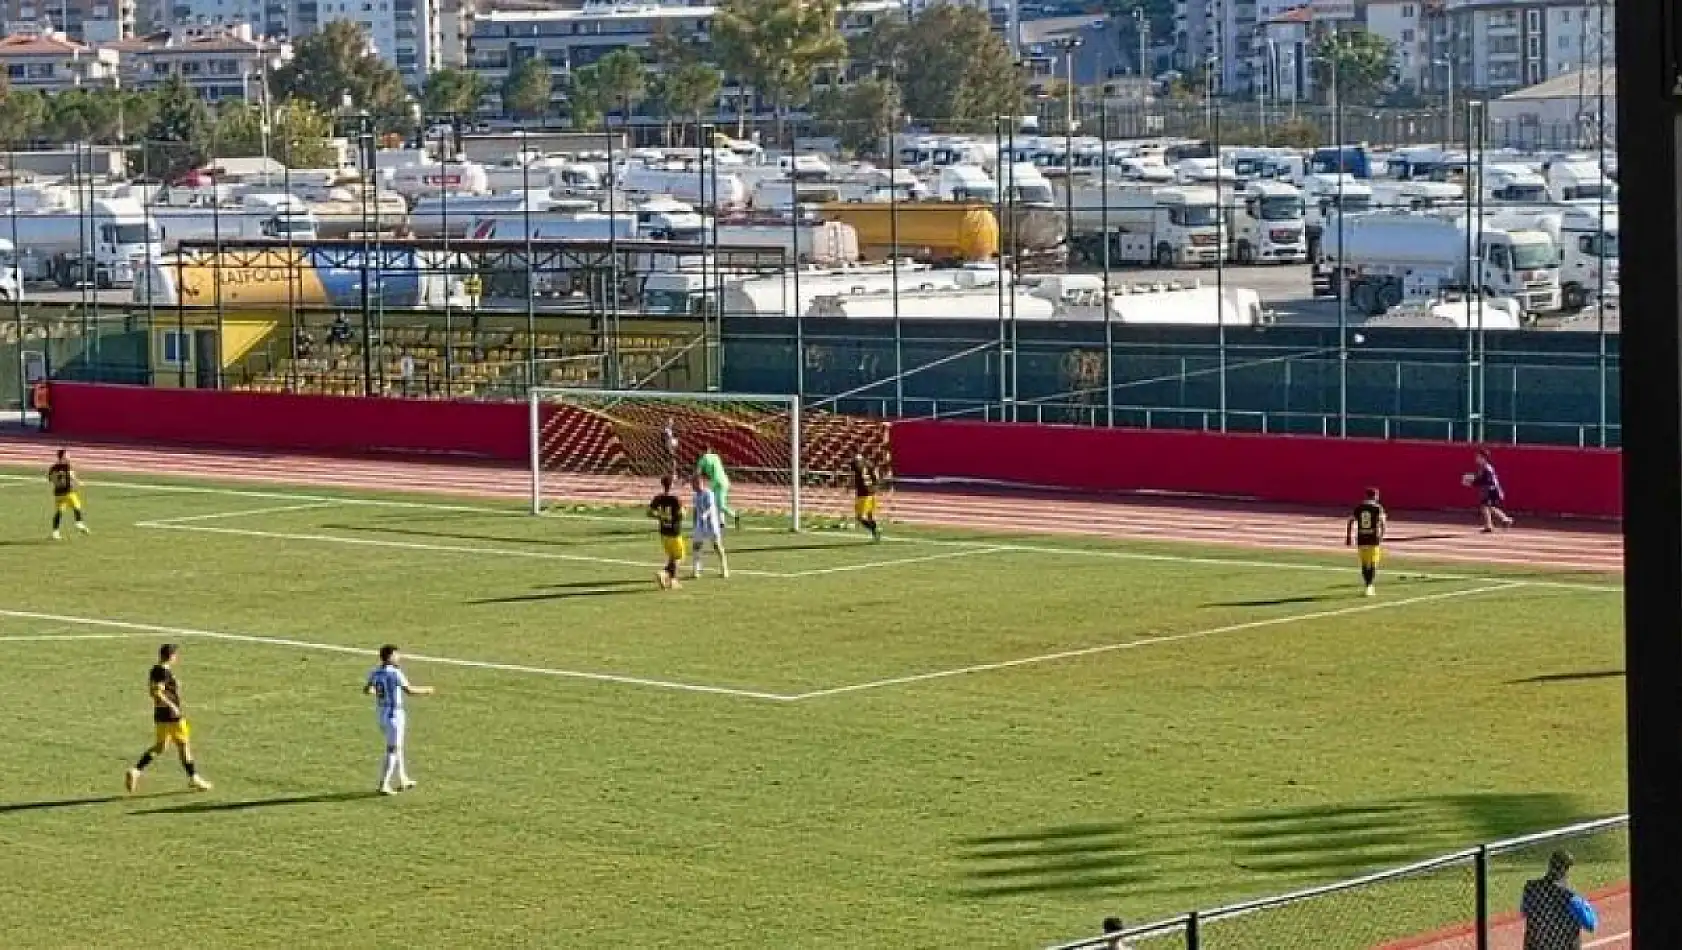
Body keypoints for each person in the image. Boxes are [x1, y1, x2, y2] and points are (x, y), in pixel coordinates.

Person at [126, 643, 213, 793]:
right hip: (172, 716)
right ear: (171, 656)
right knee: (184, 745)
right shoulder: (163, 673)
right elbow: (156, 692)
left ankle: (136, 770)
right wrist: (172, 706)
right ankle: (194, 778)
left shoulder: (155, 670)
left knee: (160, 746)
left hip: (160, 715)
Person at [364, 644, 434, 796]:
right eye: (396, 655)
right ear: (390, 657)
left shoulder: (374, 672)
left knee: (398, 747)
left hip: (381, 713)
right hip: (394, 715)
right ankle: (384, 784)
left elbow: (367, 689)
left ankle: (403, 779)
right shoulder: (395, 673)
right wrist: (427, 690)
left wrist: (378, 692)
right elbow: (409, 690)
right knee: (393, 749)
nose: (399, 657)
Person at [1521, 850, 1597, 950]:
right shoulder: (1570, 898)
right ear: (1565, 871)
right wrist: (1583, 904)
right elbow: (1591, 924)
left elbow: (1524, 911)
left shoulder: (1531, 888)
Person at [1345, 486, 1386, 597]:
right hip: (1373, 538)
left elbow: (1350, 521)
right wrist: (1382, 535)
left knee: (1364, 564)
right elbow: (1382, 523)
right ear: (1375, 496)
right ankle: (1369, 586)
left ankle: (1367, 585)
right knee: (1373, 563)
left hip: (1361, 538)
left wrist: (1348, 536)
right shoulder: (1378, 508)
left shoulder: (1359, 507)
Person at [648, 475, 685, 590]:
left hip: (663, 532)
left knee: (672, 557)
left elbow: (649, 512)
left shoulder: (658, 498)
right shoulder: (675, 499)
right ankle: (664, 573)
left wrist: (661, 516)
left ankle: (673, 581)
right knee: (680, 557)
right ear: (672, 484)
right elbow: (682, 514)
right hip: (674, 532)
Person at [690, 474, 729, 579]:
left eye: (694, 483)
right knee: (696, 546)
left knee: (717, 546)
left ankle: (724, 568)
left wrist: (705, 514)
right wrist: (694, 524)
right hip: (700, 524)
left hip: (711, 524)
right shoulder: (694, 496)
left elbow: (711, 507)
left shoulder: (708, 493)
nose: (692, 486)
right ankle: (696, 570)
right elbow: (695, 510)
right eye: (692, 484)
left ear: (700, 483)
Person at [47, 448, 89, 540]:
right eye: (67, 455)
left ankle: (55, 532)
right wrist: (78, 482)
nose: (69, 456)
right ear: (63, 457)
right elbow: (71, 475)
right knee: (77, 506)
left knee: (59, 512)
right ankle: (79, 522)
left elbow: (50, 479)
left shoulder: (53, 467)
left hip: (58, 494)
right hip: (68, 492)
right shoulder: (67, 466)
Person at [1469, 450, 1514, 533]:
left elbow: (1487, 480)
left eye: (1478, 457)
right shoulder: (1483, 467)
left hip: (1492, 490)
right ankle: (1502, 521)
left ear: (1484, 458)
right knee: (1488, 507)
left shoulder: (1486, 468)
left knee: (1485, 506)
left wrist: (1473, 481)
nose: (1476, 458)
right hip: (1490, 490)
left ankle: (1493, 524)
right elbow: (1482, 480)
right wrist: (1474, 482)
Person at [695, 446, 739, 529]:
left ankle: (735, 515)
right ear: (710, 450)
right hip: (724, 481)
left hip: (717, 483)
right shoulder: (716, 456)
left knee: (719, 504)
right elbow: (712, 469)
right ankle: (722, 522)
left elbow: (698, 473)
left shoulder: (702, 460)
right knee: (718, 503)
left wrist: (689, 479)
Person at [849, 453, 882, 541]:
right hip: (872, 492)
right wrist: (876, 486)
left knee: (859, 517)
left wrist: (849, 487)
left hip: (863, 494)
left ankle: (874, 530)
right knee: (870, 515)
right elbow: (877, 475)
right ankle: (875, 533)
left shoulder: (857, 467)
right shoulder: (869, 464)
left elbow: (853, 477)